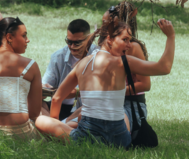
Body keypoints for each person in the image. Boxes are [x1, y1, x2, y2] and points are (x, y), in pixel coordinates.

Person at [35, 15, 175, 149]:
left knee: (41, 120)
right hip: (121, 140)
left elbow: (57, 98)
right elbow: (164, 68)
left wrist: (55, 124)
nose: (128, 45)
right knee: (82, 116)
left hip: (85, 138)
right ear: (109, 39)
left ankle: (62, 132)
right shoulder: (124, 62)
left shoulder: (82, 64)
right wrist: (170, 37)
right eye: (125, 40)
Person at [41, 19, 99, 121]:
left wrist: (77, 93)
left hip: (84, 108)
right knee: (33, 104)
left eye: (77, 43)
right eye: (69, 41)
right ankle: (61, 127)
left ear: (89, 38)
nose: (72, 46)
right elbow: (46, 84)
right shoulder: (58, 57)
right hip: (59, 106)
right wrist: (43, 89)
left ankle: (56, 128)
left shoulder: (99, 57)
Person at [108, 2, 150, 129]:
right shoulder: (107, 46)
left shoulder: (133, 47)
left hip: (130, 103)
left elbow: (145, 84)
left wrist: (114, 93)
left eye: (107, 23)